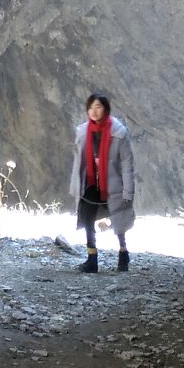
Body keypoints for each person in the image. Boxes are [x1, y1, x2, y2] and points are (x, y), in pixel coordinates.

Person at [67, 93, 136, 272]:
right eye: (91, 107)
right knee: (87, 216)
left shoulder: (118, 133)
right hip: (90, 181)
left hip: (113, 183)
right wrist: (76, 186)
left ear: (105, 109)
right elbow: (79, 162)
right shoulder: (83, 132)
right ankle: (92, 258)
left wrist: (128, 191)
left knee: (118, 218)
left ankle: (123, 252)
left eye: (98, 107)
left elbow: (127, 163)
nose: (94, 111)